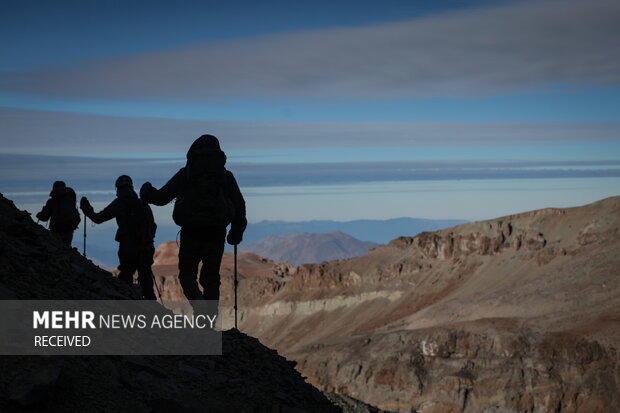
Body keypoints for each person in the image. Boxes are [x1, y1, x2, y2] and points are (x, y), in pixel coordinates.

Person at [141, 134, 246, 302]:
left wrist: (147, 192)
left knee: (187, 275)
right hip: (216, 232)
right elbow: (239, 205)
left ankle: (200, 309)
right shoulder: (225, 176)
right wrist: (236, 232)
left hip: (191, 232)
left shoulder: (186, 174)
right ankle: (209, 322)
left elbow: (161, 198)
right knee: (211, 279)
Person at [79, 175, 157, 300]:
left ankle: (127, 308)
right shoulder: (142, 203)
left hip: (128, 247)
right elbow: (152, 226)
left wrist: (87, 211)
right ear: (131, 186)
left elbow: (99, 218)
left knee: (126, 277)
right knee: (146, 279)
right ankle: (152, 309)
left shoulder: (119, 203)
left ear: (118, 188)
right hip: (146, 247)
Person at [36, 181, 81, 246]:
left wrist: (38, 215)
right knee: (67, 249)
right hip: (69, 229)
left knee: (55, 249)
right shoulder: (70, 200)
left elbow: (44, 217)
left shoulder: (51, 201)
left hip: (55, 229)